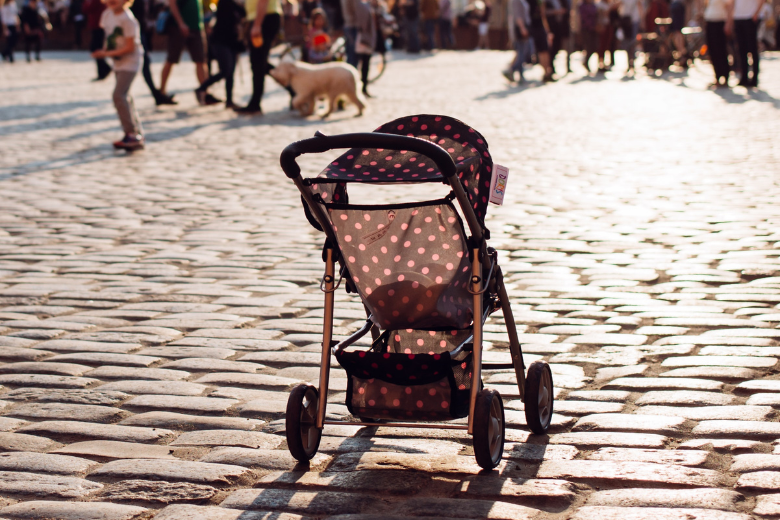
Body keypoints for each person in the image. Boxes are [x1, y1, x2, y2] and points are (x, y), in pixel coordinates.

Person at [92, 0, 144, 150]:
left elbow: (130, 47)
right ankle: (136, 133)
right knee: (126, 96)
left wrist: (106, 54)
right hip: (118, 62)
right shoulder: (106, 14)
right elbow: (108, 35)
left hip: (131, 62)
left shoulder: (128, 20)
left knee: (118, 95)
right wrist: (104, 50)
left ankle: (131, 134)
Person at [159, 0, 212, 103]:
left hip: (197, 26)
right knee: (171, 59)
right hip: (178, 27)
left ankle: (204, 93)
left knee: (201, 60)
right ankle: (162, 92)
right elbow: (172, 3)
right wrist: (181, 23)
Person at [235, 0, 282, 114]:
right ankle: (291, 87)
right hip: (262, 18)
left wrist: (257, 25)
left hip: (264, 18)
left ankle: (255, 103)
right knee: (260, 63)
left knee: (258, 63)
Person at [195, 0, 244, 107]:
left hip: (232, 41)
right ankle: (202, 88)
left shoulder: (235, 4)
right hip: (220, 41)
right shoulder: (225, 2)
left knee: (230, 72)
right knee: (226, 70)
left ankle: (229, 100)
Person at [727, 0, 764, 86]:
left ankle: (754, 78)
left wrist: (756, 13)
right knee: (741, 49)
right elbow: (732, 3)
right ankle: (744, 77)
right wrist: (730, 20)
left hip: (750, 17)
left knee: (752, 49)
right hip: (738, 18)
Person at [503, 0, 532, 81]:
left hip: (522, 28)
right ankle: (511, 70)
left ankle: (518, 74)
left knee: (522, 52)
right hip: (519, 29)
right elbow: (518, 15)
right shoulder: (516, 1)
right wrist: (522, 28)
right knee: (522, 52)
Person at [704, 0, 731, 85]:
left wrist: (728, 23)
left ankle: (725, 76)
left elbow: (729, 7)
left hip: (719, 23)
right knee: (712, 50)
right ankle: (717, 75)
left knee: (721, 50)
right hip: (710, 22)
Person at [85, 0, 111, 78]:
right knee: (96, 48)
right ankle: (102, 71)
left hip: (98, 26)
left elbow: (87, 9)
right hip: (97, 26)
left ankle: (105, 69)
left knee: (96, 49)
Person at [529, 0, 554, 80]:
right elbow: (543, 15)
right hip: (536, 28)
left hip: (535, 28)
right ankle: (546, 72)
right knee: (543, 51)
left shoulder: (532, 2)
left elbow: (542, 15)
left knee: (542, 51)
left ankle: (546, 72)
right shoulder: (533, 2)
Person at [355, 0, 374, 95]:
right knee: (360, 63)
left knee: (365, 64)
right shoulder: (360, 4)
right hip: (362, 38)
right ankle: (359, 88)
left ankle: (363, 87)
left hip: (366, 38)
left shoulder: (367, 4)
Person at [618, 0, 642, 71]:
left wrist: (642, 20)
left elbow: (639, 6)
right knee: (627, 42)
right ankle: (629, 62)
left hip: (633, 20)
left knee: (632, 42)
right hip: (625, 21)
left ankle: (632, 62)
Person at [580, 0, 598, 71]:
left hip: (594, 28)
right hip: (586, 29)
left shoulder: (593, 5)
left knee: (595, 46)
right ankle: (586, 62)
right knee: (588, 46)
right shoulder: (582, 6)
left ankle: (586, 61)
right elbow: (583, 18)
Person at [342, 0, 359, 66]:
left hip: (348, 25)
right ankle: (352, 71)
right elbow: (356, 9)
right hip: (352, 25)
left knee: (350, 51)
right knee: (353, 52)